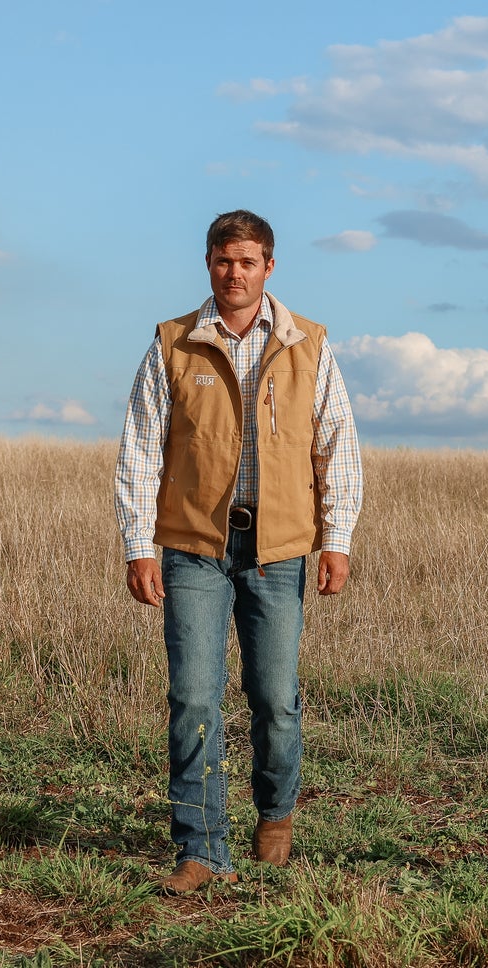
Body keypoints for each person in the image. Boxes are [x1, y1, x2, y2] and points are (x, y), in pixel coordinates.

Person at [114, 209, 362, 892]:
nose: (235, 273)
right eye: (224, 261)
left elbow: (336, 445)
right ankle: (200, 849)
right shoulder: (174, 343)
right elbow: (139, 449)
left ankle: (275, 815)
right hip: (193, 546)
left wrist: (335, 540)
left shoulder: (309, 344)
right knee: (193, 699)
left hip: (278, 549)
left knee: (274, 698)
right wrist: (139, 544)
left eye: (248, 261)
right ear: (209, 264)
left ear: (269, 267)